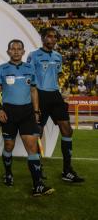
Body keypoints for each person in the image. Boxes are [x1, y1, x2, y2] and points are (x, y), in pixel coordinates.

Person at [0, 39, 54, 196]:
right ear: (8, 51)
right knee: (8, 146)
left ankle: (38, 185)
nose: (16, 51)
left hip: (27, 113)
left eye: (19, 49)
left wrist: (36, 111)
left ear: (23, 51)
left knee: (32, 147)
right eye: (12, 49)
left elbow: (33, 91)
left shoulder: (30, 68)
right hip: (9, 112)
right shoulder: (1, 69)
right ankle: (8, 173)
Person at [27, 27, 84, 183]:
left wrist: (61, 92)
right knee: (37, 132)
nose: (53, 40)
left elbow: (56, 76)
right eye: (49, 37)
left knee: (67, 130)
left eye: (55, 37)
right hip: (40, 95)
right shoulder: (33, 56)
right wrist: (33, 102)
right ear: (43, 38)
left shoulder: (58, 56)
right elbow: (30, 79)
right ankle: (38, 168)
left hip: (55, 95)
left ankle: (67, 171)